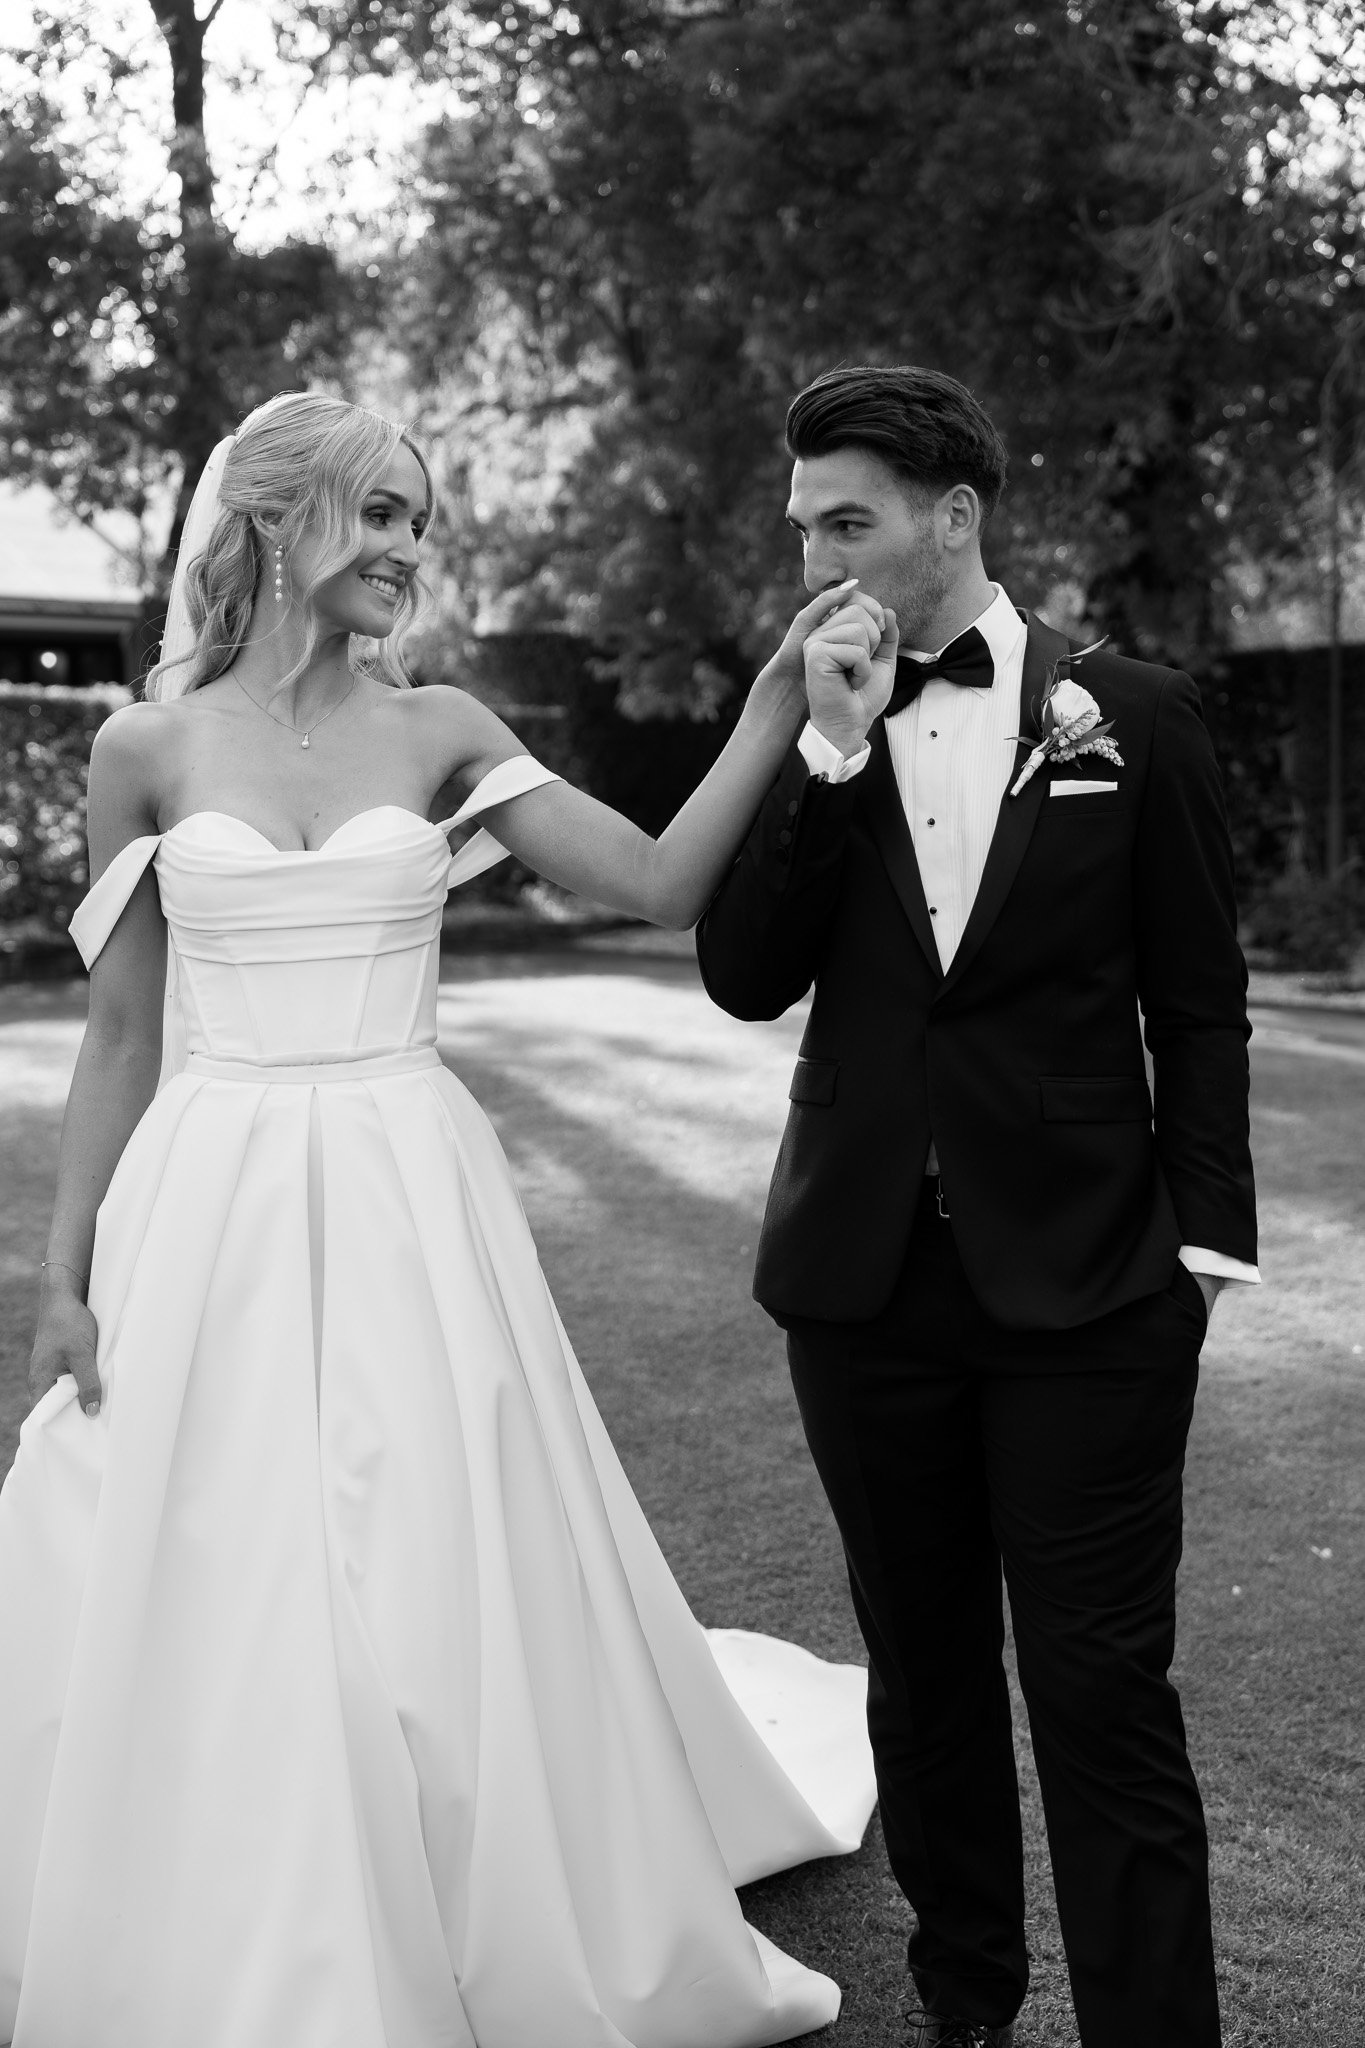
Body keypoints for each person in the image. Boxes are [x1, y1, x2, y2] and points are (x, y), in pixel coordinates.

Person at [0, 391, 881, 2048]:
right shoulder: (145, 749)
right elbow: (121, 1035)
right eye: (385, 516)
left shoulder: (445, 730)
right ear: (278, 521)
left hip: (412, 1185)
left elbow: (657, 884)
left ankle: (470, 1884)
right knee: (219, 1549)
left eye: (420, 521)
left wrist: (773, 706)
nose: (411, 550)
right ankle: (254, 1912)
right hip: (214, 1195)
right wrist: (64, 1279)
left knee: (426, 1540)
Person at [696, 364, 1260, 2048]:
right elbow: (741, 974)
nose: (819, 559)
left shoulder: (1133, 714)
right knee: (923, 1680)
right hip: (862, 1293)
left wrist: (1204, 1243)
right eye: (803, 528)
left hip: (1092, 1287)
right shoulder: (814, 705)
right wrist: (827, 746)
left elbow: (1201, 996)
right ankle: (965, 2003)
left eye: (847, 520)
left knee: (1097, 1692)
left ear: (953, 518)